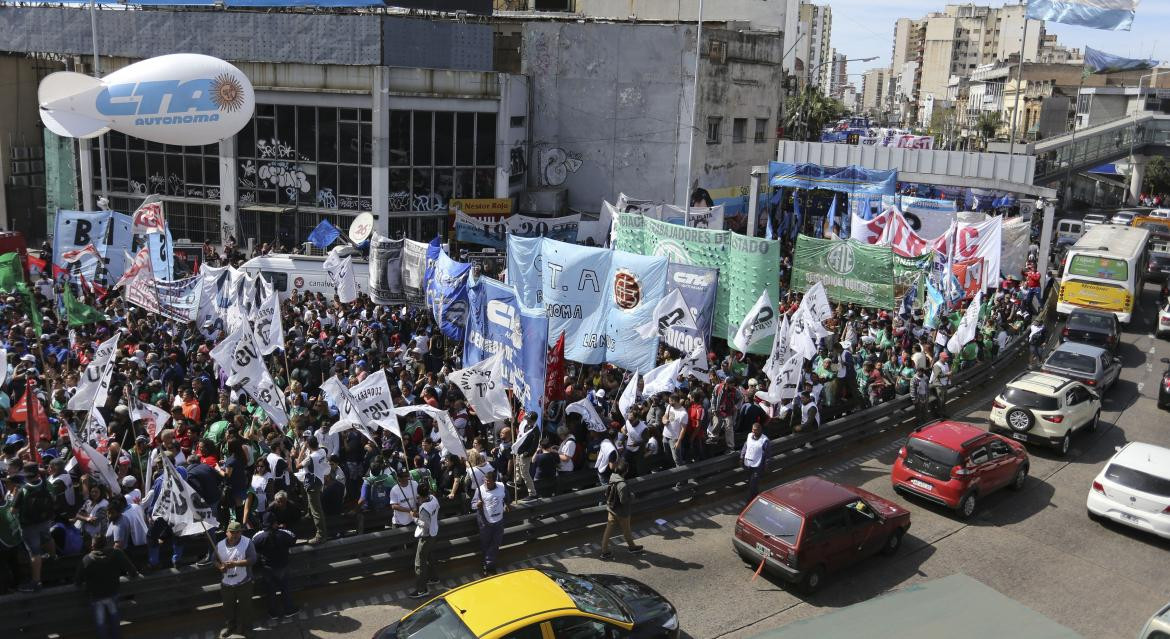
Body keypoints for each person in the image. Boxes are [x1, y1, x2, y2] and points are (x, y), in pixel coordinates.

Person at [74, 534, 140, 639]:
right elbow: (132, 571)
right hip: (112, 592)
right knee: (114, 617)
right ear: (106, 543)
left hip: (96, 596)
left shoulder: (87, 559)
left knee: (100, 622)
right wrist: (132, 575)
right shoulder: (117, 553)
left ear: (92, 546)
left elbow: (77, 581)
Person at [12, 462, 55, 591]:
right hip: (45, 520)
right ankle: (53, 557)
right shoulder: (47, 484)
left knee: (34, 552)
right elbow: (53, 499)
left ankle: (36, 582)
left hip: (28, 526)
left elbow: (13, 511)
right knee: (47, 538)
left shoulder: (23, 490)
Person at [251, 512, 298, 621]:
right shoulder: (283, 534)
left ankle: (273, 613)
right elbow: (294, 538)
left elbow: (253, 545)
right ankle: (289, 610)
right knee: (285, 588)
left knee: (270, 591)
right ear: (275, 523)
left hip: (267, 568)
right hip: (283, 566)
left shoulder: (259, 536)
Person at [215, 521, 257, 639]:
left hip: (244, 583)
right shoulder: (219, 545)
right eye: (232, 532)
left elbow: (253, 559)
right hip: (226, 584)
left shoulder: (247, 543)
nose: (235, 534)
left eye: (237, 532)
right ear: (227, 532)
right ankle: (230, 627)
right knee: (228, 608)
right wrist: (220, 567)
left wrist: (235, 564)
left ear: (241, 532)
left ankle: (247, 628)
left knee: (246, 608)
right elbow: (214, 560)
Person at [598, 459, 643, 560]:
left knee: (608, 530)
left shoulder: (612, 477)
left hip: (611, 508)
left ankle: (604, 551)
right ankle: (632, 547)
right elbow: (623, 500)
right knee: (626, 530)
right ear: (625, 471)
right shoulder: (622, 484)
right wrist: (631, 496)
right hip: (622, 512)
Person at [470, 469, 506, 576]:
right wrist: (477, 504)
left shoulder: (501, 486)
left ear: (494, 481)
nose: (486, 483)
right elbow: (472, 505)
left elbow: (506, 496)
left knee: (496, 543)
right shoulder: (479, 490)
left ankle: (489, 563)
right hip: (485, 522)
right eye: (485, 481)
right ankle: (488, 565)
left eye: (488, 481)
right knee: (485, 544)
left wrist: (507, 504)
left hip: (499, 520)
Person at [408, 482, 441, 599]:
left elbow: (424, 525)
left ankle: (422, 590)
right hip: (434, 532)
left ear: (419, 494)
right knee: (430, 556)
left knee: (419, 563)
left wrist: (414, 518)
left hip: (426, 536)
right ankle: (434, 577)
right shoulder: (434, 499)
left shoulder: (423, 508)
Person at [296, 435, 328, 544]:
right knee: (313, 506)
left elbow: (298, 465)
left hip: (313, 484)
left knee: (317, 511)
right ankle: (309, 515)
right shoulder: (323, 452)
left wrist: (303, 450)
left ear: (309, 445)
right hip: (319, 481)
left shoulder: (310, 458)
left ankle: (321, 535)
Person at [513, 413, 540, 500]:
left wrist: (527, 453)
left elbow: (534, 445)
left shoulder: (536, 431)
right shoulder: (525, 424)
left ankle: (532, 493)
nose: (527, 421)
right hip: (519, 450)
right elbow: (520, 430)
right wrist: (513, 422)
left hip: (525, 454)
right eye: (527, 419)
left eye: (529, 420)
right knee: (517, 467)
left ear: (533, 421)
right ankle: (518, 482)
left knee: (525, 473)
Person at [740, 422, 769, 500]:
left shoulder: (764, 440)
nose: (753, 431)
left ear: (760, 430)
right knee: (750, 482)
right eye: (753, 430)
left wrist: (766, 465)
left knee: (753, 483)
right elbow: (745, 446)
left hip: (758, 465)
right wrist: (742, 457)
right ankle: (755, 495)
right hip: (748, 463)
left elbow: (767, 454)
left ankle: (752, 499)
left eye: (756, 430)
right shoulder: (749, 436)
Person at [930, 352, 952, 418]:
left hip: (944, 384)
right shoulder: (937, 365)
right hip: (939, 384)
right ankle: (940, 415)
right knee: (941, 400)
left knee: (944, 399)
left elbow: (947, 372)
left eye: (946, 358)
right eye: (945, 358)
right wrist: (947, 374)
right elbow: (938, 375)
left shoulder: (946, 363)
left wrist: (949, 377)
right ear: (940, 357)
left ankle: (943, 413)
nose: (946, 359)